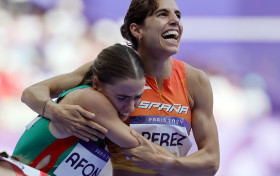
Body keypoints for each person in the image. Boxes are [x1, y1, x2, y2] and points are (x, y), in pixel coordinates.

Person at [21, 0, 220, 175]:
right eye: (163, 14)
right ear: (137, 30)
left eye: (178, 14)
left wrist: (165, 163)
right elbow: (31, 92)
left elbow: (211, 161)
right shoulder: (113, 70)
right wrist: (55, 111)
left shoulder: (196, 81)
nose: (175, 20)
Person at [13, 43, 146, 175]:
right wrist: (53, 110)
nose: (130, 107)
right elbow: (29, 92)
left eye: (138, 97)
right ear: (96, 84)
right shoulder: (89, 97)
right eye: (122, 98)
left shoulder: (121, 75)